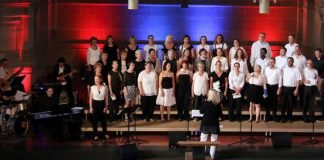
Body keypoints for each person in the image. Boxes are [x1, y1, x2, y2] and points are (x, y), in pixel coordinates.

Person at [199, 90, 223, 160]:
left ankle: (202, 156)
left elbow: (201, 111)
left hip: (205, 124)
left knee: (203, 141)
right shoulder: (218, 104)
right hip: (214, 125)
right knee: (213, 142)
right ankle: (211, 158)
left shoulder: (205, 103)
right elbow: (221, 115)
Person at [280, 57, 302, 123]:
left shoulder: (296, 69)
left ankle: (289, 118)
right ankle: (283, 118)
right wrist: (280, 87)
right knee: (283, 104)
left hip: (292, 88)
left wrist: (297, 89)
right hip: (284, 88)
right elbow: (280, 79)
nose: (289, 62)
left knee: (290, 104)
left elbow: (298, 80)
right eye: (288, 61)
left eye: (290, 61)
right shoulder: (284, 69)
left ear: (293, 62)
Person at [89, 75, 109, 142]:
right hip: (95, 104)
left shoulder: (105, 87)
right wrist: (91, 107)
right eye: (95, 79)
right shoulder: (92, 87)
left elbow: (106, 98)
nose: (96, 81)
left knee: (103, 120)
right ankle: (95, 135)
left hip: (102, 104)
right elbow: (90, 99)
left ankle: (105, 133)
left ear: (100, 80)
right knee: (94, 120)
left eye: (97, 79)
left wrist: (106, 107)